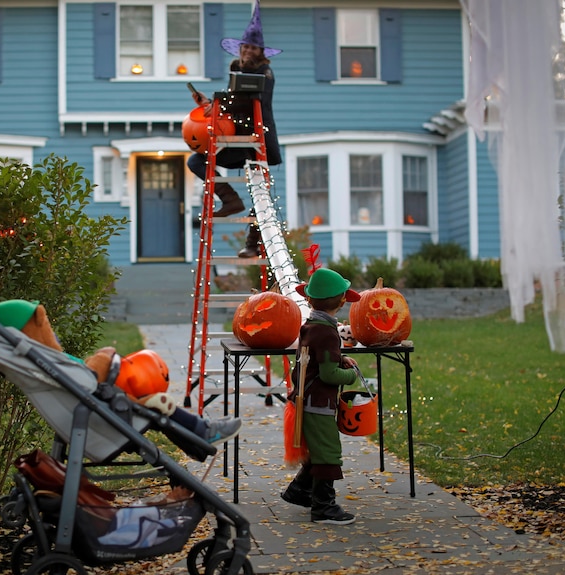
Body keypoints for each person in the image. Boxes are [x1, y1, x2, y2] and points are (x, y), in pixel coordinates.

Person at [0, 299, 242, 446]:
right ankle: (201, 431)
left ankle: (200, 434)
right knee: (157, 406)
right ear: (38, 321)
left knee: (157, 407)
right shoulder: (45, 360)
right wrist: (104, 356)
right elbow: (88, 379)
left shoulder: (42, 361)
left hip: (97, 410)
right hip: (106, 415)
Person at [187, 0, 282, 258]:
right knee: (196, 161)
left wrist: (218, 103)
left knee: (261, 194)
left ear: (260, 52)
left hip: (257, 140)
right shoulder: (234, 69)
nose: (248, 51)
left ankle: (253, 244)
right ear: (240, 48)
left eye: (253, 47)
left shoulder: (266, 73)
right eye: (245, 46)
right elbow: (232, 103)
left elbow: (254, 102)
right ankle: (229, 199)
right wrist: (210, 104)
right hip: (233, 138)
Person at [282, 268, 361, 525]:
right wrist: (351, 377)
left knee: (317, 451)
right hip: (317, 402)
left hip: (306, 398)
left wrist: (341, 358)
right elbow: (328, 374)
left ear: (309, 299)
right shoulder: (327, 332)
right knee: (327, 453)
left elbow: (318, 360)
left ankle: (299, 491)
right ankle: (324, 508)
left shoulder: (312, 325)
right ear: (341, 301)